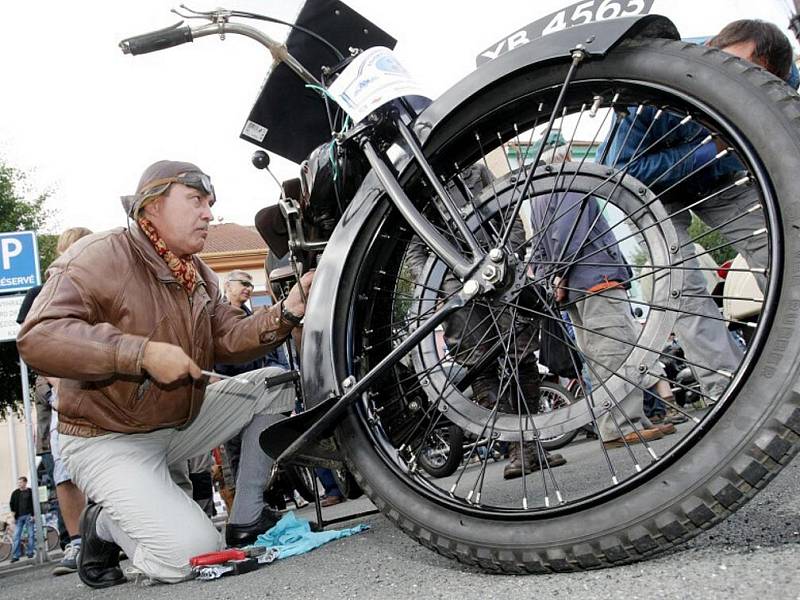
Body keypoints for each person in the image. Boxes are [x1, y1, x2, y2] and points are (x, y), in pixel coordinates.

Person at [17, 160, 313, 587]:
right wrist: (139, 353)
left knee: (275, 384)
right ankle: (101, 527)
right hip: (104, 437)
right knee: (191, 557)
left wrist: (287, 311)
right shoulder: (98, 256)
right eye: (196, 200)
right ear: (152, 206)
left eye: (210, 203)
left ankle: (247, 516)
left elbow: (229, 336)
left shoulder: (200, 273)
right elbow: (38, 337)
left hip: (174, 424)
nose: (209, 213)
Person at [598, 19, 795, 402]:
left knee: (781, 250)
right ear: (712, 49)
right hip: (652, 186)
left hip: (722, 176)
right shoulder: (654, 81)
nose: (738, 89)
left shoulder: (783, 79)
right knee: (682, 285)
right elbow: (617, 169)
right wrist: (711, 149)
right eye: (734, 70)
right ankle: (728, 390)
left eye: (753, 81)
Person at [530, 146, 670, 448]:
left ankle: (632, 420)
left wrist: (553, 278)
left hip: (576, 287)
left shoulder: (539, 197)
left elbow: (541, 246)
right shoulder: (571, 181)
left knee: (600, 355)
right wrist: (561, 275)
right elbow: (572, 231)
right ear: (566, 160)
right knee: (614, 351)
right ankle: (621, 425)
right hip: (595, 277)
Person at [9, 477, 35, 562]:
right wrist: (13, 517)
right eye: (18, 482)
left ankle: (30, 552)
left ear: (25, 482)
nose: (19, 484)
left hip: (28, 516)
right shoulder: (15, 493)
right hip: (19, 517)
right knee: (16, 536)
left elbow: (34, 504)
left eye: (21, 482)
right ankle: (16, 556)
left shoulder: (30, 491)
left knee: (31, 535)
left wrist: (33, 515)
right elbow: (12, 505)